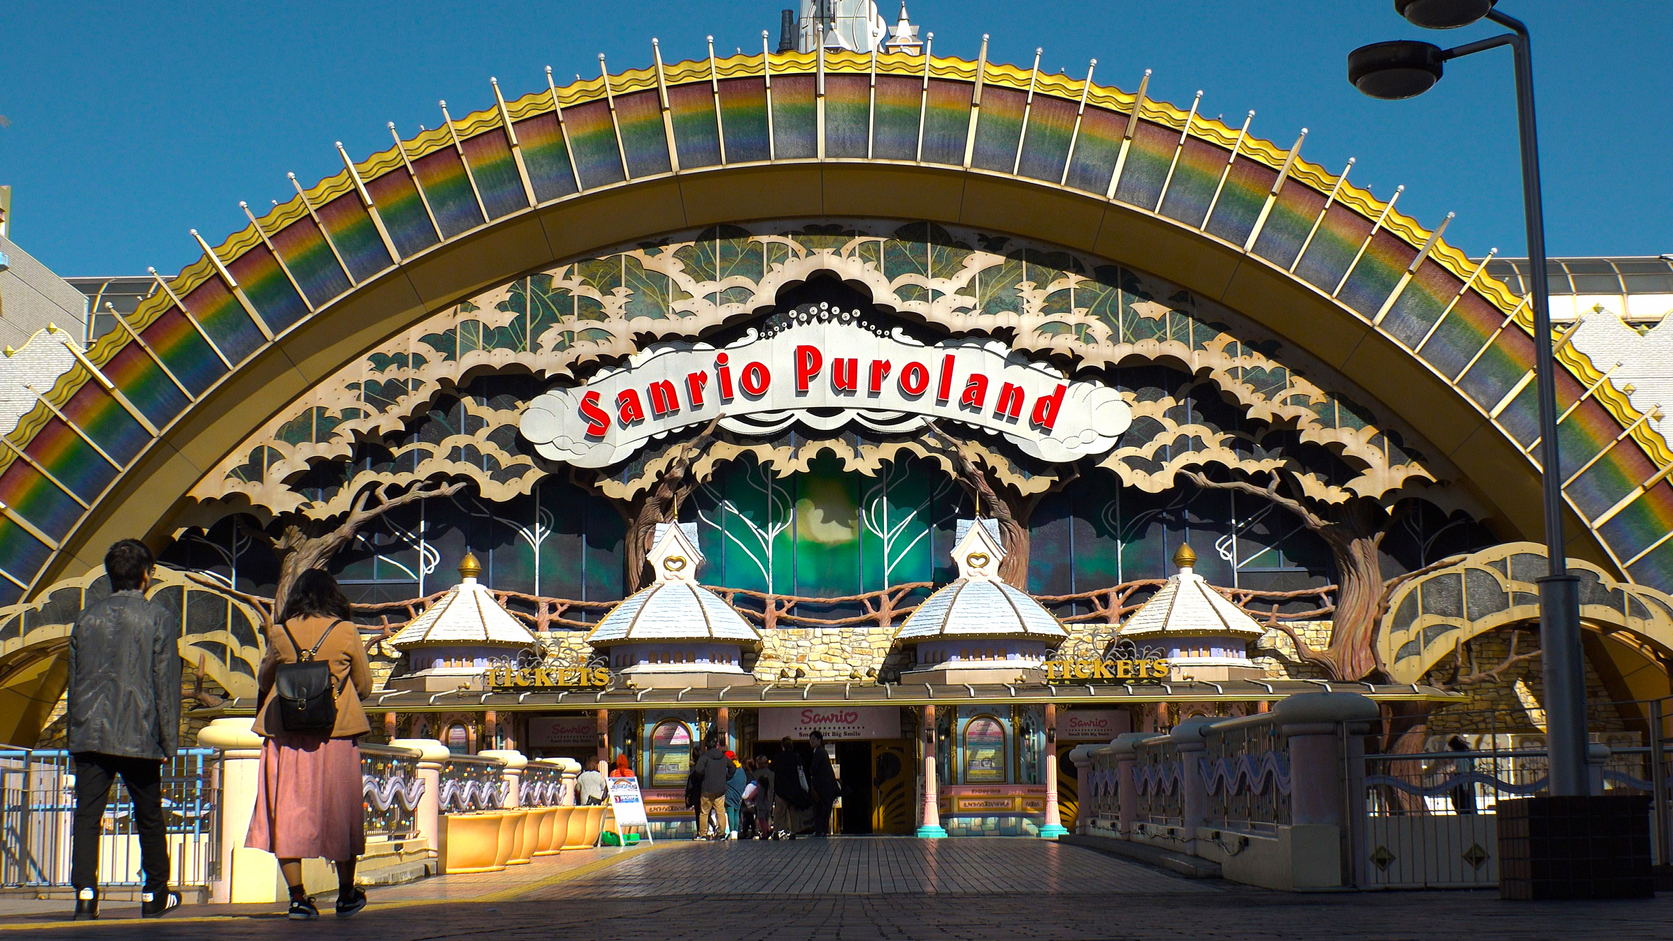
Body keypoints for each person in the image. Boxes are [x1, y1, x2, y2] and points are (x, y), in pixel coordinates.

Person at [246, 569, 374, 921]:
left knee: (287, 813)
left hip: (286, 735)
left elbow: (265, 679)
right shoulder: (346, 631)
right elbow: (364, 686)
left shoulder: (280, 632)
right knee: (340, 814)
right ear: (333, 596)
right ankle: (346, 894)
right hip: (336, 734)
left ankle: (298, 898)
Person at [67, 539, 182, 920]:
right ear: (146, 574)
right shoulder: (158, 617)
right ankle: (154, 893)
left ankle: (85, 895)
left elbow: (74, 681)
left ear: (109, 574)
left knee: (87, 816)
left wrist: (74, 735)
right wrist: (169, 741)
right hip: (139, 730)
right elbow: (165, 683)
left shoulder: (86, 618)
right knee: (149, 815)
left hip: (90, 732)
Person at [769, 736, 808, 840]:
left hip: (781, 788)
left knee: (779, 812)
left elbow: (772, 769)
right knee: (793, 812)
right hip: (794, 788)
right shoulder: (796, 757)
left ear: (782, 746)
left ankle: (776, 831)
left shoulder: (779, 757)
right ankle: (793, 832)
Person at [804, 730, 840, 839]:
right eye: (810, 739)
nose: (811, 741)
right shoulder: (820, 751)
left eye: (813, 739)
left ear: (819, 740)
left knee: (821, 810)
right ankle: (820, 831)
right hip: (825, 788)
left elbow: (814, 769)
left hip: (823, 788)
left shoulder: (819, 752)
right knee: (822, 810)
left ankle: (821, 831)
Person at [694, 734, 730, 840]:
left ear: (706, 747)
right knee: (720, 811)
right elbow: (732, 767)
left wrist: (704, 777)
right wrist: (726, 777)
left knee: (704, 812)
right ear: (717, 745)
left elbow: (698, 770)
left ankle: (702, 833)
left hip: (707, 789)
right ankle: (722, 833)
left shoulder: (704, 757)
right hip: (720, 789)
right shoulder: (723, 756)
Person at [1448, 735, 1477, 815]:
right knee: (1468, 805)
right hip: (1465, 784)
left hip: (1462, 785)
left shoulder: (1461, 758)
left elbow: (1464, 773)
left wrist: (1465, 788)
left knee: (1463, 805)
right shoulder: (1465, 756)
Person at [751, 757, 776, 840]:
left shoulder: (754, 774)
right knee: (769, 815)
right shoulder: (772, 774)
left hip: (759, 798)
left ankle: (762, 831)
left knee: (760, 815)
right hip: (769, 797)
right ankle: (769, 829)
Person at [724, 751, 748, 839]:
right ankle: (736, 832)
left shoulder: (728, 769)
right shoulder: (741, 770)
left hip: (730, 794)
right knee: (736, 812)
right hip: (739, 794)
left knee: (730, 811)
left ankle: (732, 832)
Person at [684, 746, 704, 837]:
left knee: (698, 813)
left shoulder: (694, 768)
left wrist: (688, 795)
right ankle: (710, 829)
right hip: (706, 792)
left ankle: (701, 832)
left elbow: (690, 783)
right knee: (705, 812)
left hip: (696, 793)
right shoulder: (705, 766)